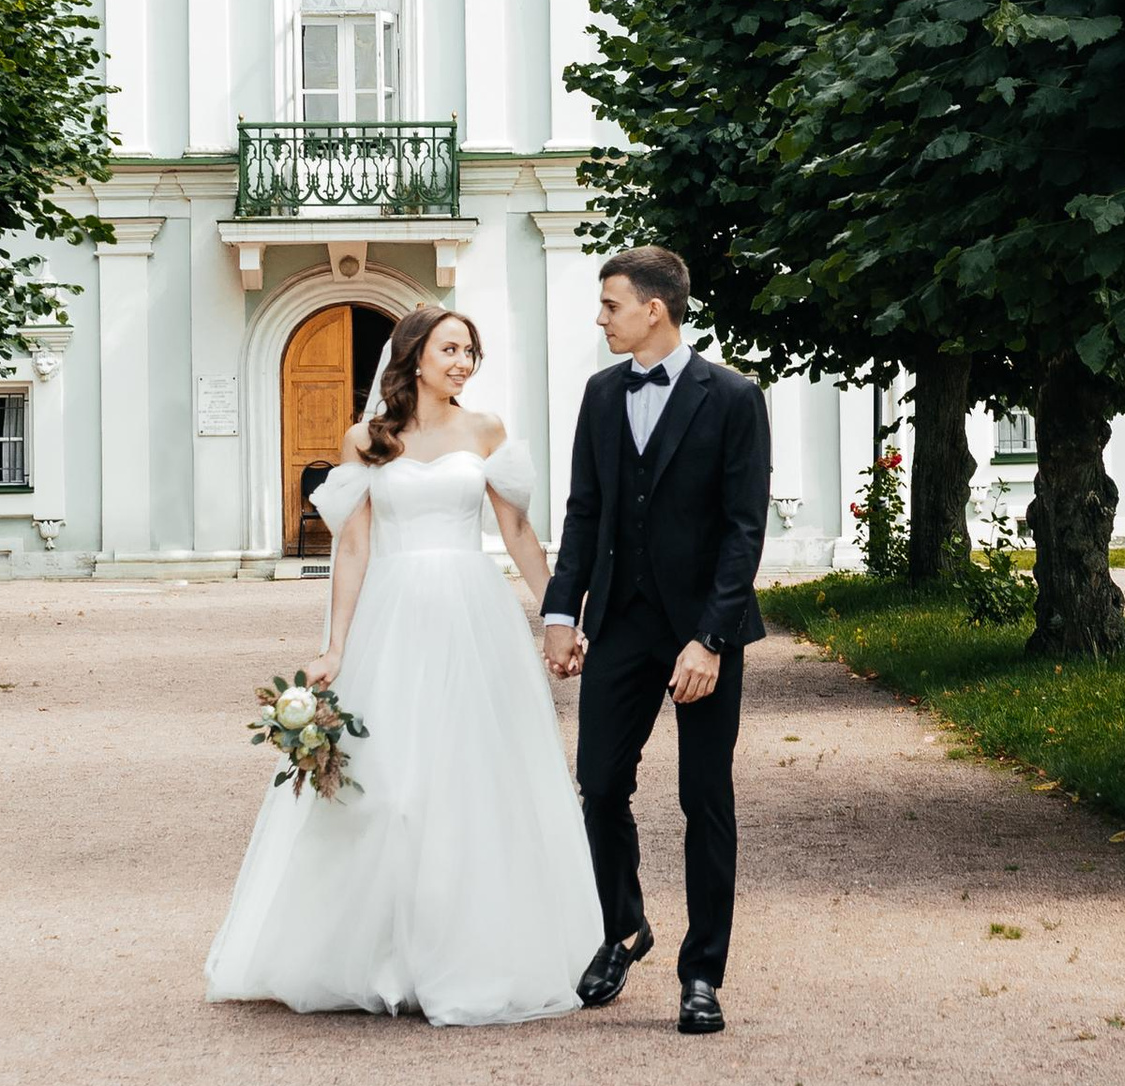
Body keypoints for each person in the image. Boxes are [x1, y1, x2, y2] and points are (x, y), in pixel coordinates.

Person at [205, 304, 601, 1027]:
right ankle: (377, 955)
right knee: (388, 784)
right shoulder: (367, 439)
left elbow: (517, 533)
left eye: (471, 352)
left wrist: (558, 617)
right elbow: (352, 549)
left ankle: (473, 948)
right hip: (394, 616)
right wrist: (336, 645)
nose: (462, 363)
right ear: (414, 354)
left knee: (476, 776)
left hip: (471, 614)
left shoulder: (485, 432)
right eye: (451, 349)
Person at [539, 247, 772, 1039]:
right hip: (624, 622)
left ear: (655, 310)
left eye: (610, 304)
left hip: (703, 629)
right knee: (599, 782)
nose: (600, 317)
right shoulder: (602, 395)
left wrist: (709, 639)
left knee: (704, 797)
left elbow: (744, 531)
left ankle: (702, 972)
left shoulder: (734, 397)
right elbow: (583, 512)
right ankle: (623, 927)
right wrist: (560, 613)